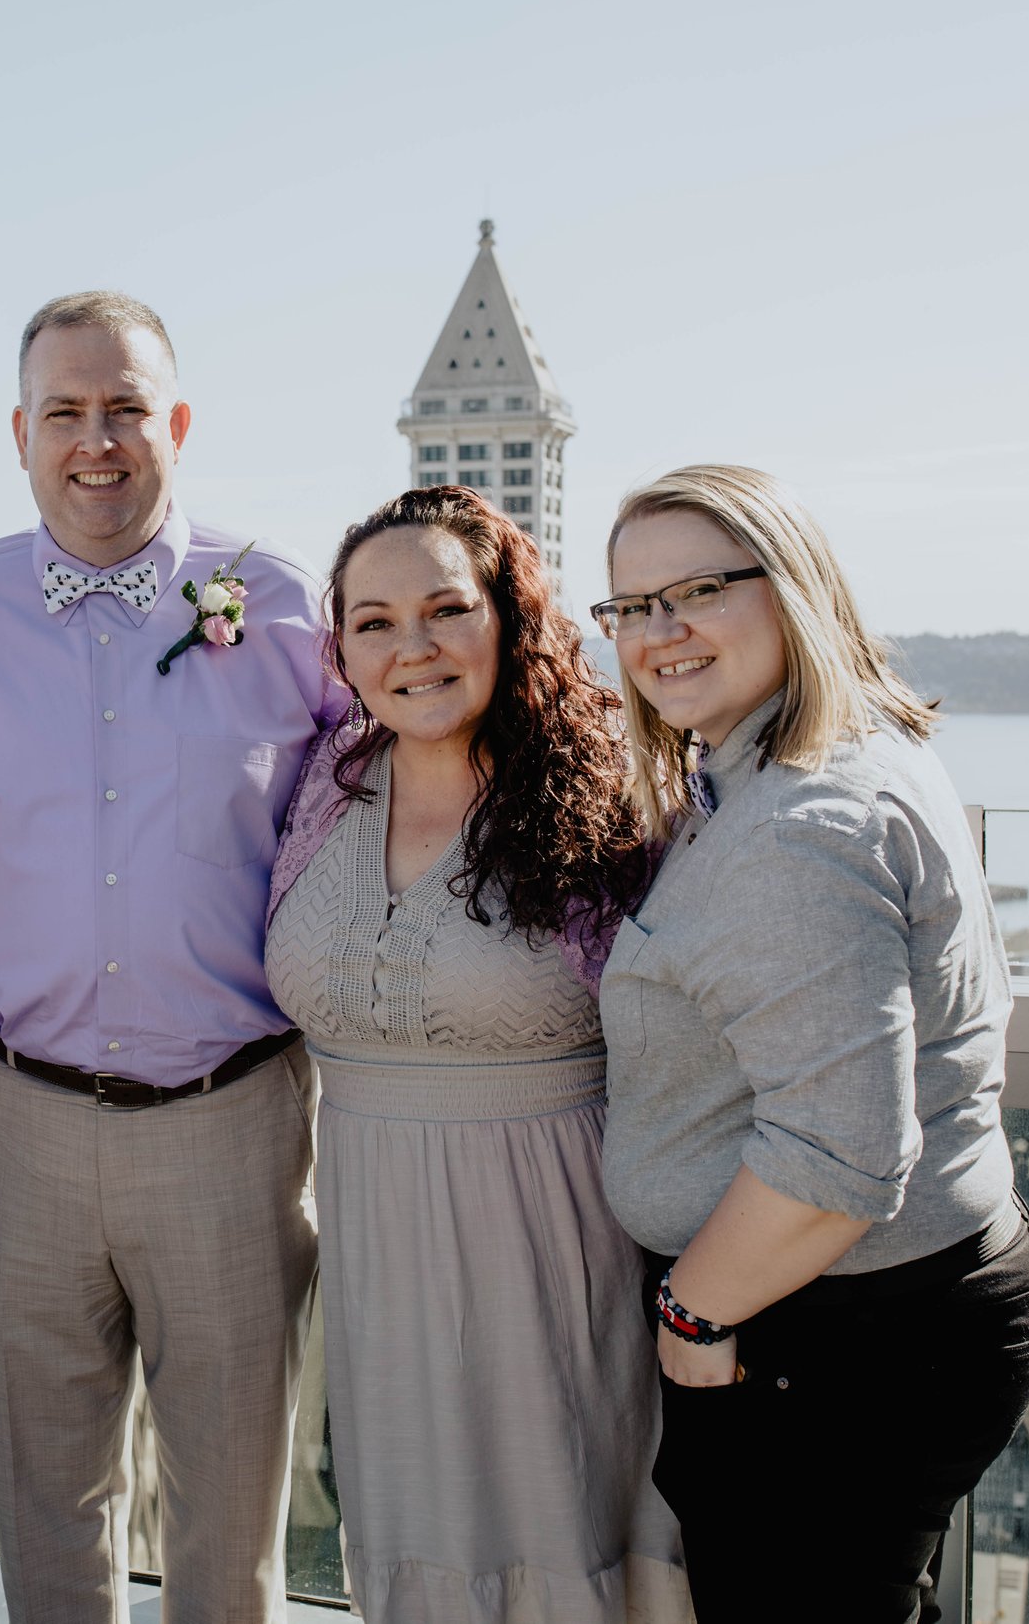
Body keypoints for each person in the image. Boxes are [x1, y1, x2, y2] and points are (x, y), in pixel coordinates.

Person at [0, 291, 338, 1622]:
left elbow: (378, 817)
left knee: (228, 1504)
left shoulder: (287, 602)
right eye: (66, 413)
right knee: (46, 1498)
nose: (97, 439)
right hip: (16, 1118)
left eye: (125, 408)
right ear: (20, 434)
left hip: (234, 1121)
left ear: (175, 424)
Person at [593, 465, 1029, 1623]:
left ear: (790, 589)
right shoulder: (835, 757)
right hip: (894, 1311)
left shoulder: (801, 821)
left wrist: (692, 1314)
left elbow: (839, 1151)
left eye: (696, 589)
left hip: (832, 1340)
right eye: (631, 605)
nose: (659, 632)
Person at [263, 486, 684, 1620]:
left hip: (555, 1244)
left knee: (558, 1523)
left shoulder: (611, 791)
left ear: (507, 618)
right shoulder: (321, 782)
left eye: (446, 609)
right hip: (373, 1247)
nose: (414, 647)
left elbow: (702, 1035)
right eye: (375, 620)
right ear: (340, 647)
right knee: (413, 1538)